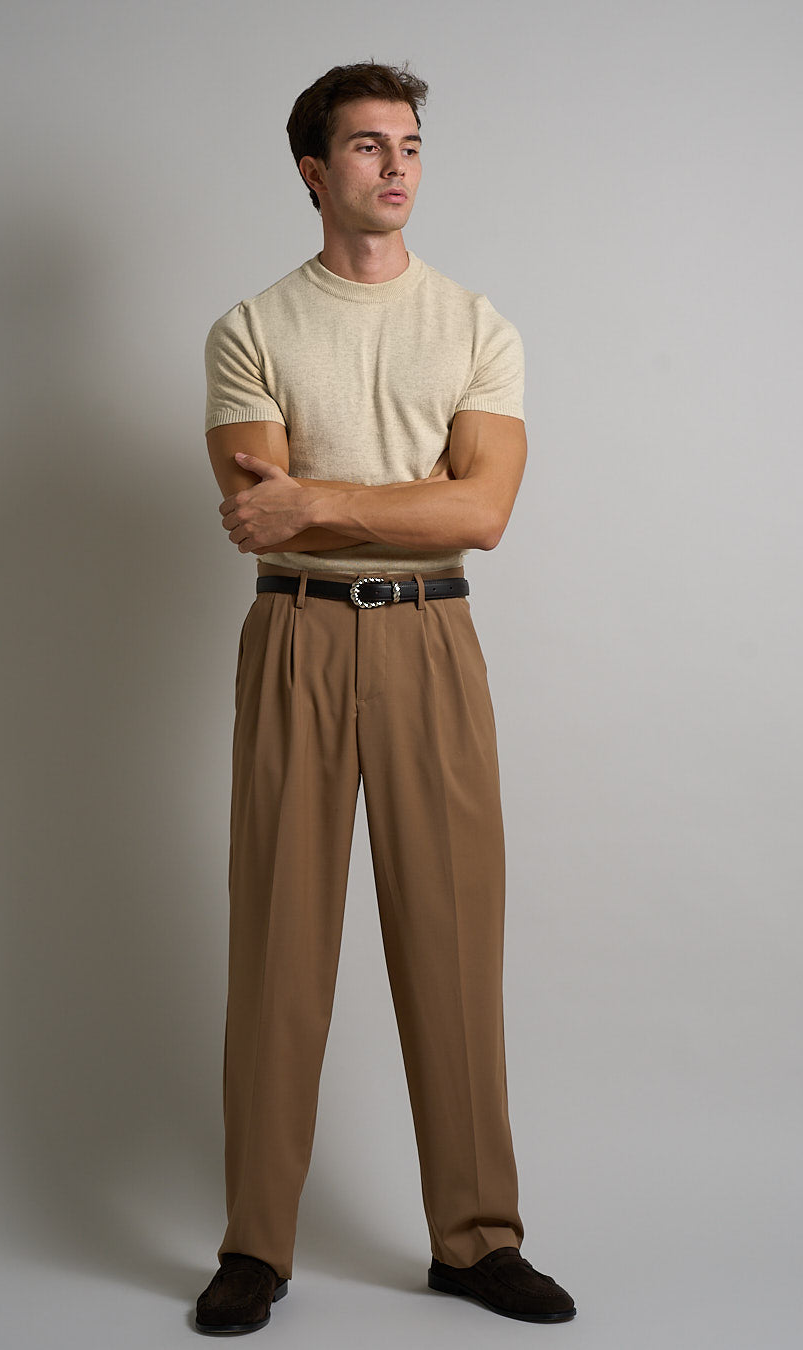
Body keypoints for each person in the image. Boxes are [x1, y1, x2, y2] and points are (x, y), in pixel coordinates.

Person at [194, 61, 576, 1335]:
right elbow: (260, 518)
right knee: (279, 949)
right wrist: (386, 504)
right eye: (367, 146)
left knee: (454, 943)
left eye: (409, 143)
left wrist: (323, 498)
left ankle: (476, 1242)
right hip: (295, 639)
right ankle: (257, 1246)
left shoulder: (474, 325)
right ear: (314, 171)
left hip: (432, 639)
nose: (397, 164)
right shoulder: (253, 329)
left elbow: (485, 512)